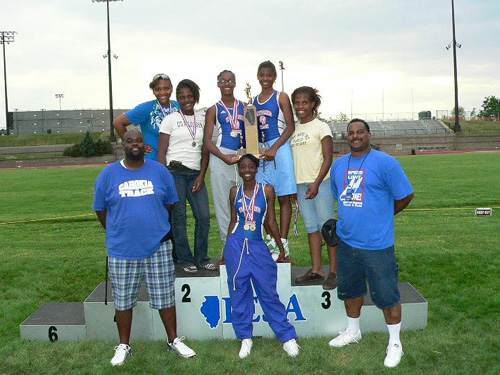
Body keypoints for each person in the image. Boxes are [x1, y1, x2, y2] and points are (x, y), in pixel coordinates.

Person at [93, 129, 196, 366]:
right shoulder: (108, 174)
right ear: (123, 144)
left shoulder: (159, 171)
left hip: (157, 246)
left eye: (139, 140)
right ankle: (124, 345)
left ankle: (173, 340)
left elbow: (169, 203)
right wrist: (117, 230)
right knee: (123, 300)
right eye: (130, 141)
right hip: (122, 249)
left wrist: (153, 223)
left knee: (164, 297)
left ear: (144, 145)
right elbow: (100, 208)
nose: (135, 144)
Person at [329, 119, 414, 368]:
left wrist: (384, 216)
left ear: (368, 134)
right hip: (347, 240)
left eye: (360, 132)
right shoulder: (338, 165)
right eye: (351, 133)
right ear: (347, 138)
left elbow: (406, 194)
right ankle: (353, 331)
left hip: (377, 244)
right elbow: (340, 195)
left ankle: (395, 342)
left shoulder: (386, 162)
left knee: (387, 295)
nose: (355, 136)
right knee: (351, 290)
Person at [220, 154, 300, 359]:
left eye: (250, 166)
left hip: (257, 245)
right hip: (236, 246)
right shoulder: (234, 192)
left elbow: (270, 221)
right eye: (243, 166)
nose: (246, 170)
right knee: (239, 293)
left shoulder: (267, 191)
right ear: (238, 170)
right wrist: (224, 252)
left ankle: (287, 337)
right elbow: (232, 221)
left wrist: (281, 248)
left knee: (268, 293)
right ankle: (245, 338)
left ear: (257, 168)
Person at [158, 79, 215, 272]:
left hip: (195, 174)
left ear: (196, 97)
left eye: (190, 96)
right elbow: (162, 151)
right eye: (182, 97)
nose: (186, 100)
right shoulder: (170, 119)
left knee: (204, 217)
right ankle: (185, 259)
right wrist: (163, 178)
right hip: (174, 173)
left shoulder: (203, 118)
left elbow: (205, 150)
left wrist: (201, 175)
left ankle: (202, 257)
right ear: (177, 99)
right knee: (179, 217)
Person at [289, 86, 337, 290]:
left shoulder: (321, 127)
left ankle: (334, 271)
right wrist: (294, 187)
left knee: (328, 228)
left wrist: (316, 183)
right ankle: (317, 269)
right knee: (311, 228)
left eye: (305, 102)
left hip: (321, 183)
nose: (300, 106)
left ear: (313, 104)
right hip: (301, 185)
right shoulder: (293, 129)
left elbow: (328, 158)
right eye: (297, 103)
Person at [253, 60, 296, 258]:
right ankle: (273, 239)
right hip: (262, 152)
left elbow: (290, 127)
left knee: (283, 197)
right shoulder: (253, 101)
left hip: (279, 148)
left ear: (274, 77)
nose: (265, 79)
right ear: (258, 76)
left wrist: (275, 148)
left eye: (269, 75)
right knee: (264, 196)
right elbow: (251, 130)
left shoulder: (281, 97)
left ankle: (284, 242)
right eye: (262, 75)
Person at [203, 70, 245, 244]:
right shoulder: (213, 109)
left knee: (244, 201)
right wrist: (224, 157)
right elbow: (207, 140)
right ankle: (228, 245)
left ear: (235, 83)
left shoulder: (245, 106)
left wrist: (245, 153)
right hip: (221, 157)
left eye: (230, 80)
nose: (227, 84)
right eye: (223, 81)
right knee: (222, 204)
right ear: (218, 84)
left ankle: (246, 241)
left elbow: (252, 133)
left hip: (242, 157)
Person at [113, 73, 180, 161]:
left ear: (171, 89)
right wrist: (137, 145)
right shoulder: (146, 108)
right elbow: (118, 123)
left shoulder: (179, 106)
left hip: (176, 161)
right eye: (158, 89)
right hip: (152, 161)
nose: (162, 92)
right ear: (153, 91)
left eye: (166, 88)